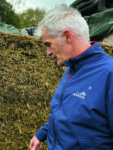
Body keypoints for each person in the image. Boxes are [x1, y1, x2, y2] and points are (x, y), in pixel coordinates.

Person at [29, 4, 113, 150]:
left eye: (49, 44)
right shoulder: (71, 71)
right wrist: (42, 134)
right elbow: (66, 115)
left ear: (67, 36)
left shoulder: (109, 74)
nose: (48, 53)